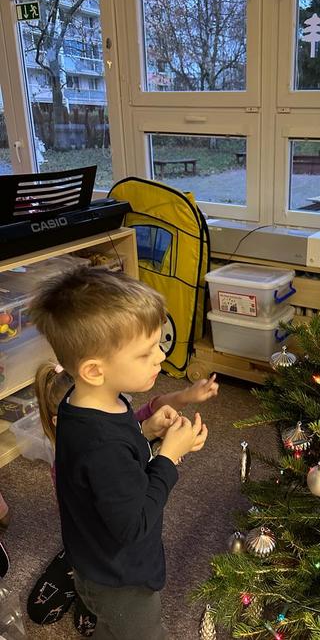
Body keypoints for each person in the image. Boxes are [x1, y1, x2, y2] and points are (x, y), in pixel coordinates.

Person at [29, 266, 213, 640]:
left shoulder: (88, 403)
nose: (160, 357)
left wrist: (148, 433)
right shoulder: (101, 442)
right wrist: (169, 458)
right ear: (95, 371)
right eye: (145, 353)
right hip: (120, 580)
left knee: (113, 630)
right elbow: (134, 524)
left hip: (95, 560)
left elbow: (114, 463)